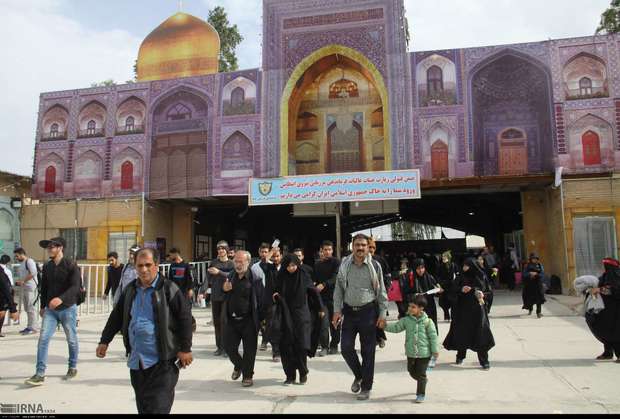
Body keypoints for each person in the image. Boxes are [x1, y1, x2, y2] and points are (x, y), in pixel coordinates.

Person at [97, 247, 193, 414]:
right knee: (143, 408)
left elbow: (186, 319)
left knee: (158, 408)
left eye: (148, 265)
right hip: (137, 361)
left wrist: (185, 349)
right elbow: (116, 317)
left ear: (157, 265)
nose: (143, 269)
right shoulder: (130, 290)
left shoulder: (169, 289)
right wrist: (104, 341)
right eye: (139, 265)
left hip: (163, 362)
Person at [332, 234, 388, 401]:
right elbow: (338, 289)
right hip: (349, 312)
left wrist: (382, 313)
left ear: (367, 246)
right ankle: (359, 375)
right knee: (346, 348)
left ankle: (366, 387)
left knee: (368, 351)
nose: (360, 248)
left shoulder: (375, 266)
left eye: (363, 245)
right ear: (352, 246)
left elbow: (382, 291)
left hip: (368, 313)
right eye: (357, 245)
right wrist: (337, 310)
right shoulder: (345, 265)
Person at [25, 237, 81, 386]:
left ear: (60, 248)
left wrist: (61, 299)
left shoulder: (71, 265)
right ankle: (40, 373)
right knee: (43, 339)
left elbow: (75, 287)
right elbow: (44, 288)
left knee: (71, 339)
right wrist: (43, 306)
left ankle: (72, 366)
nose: (49, 249)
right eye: (48, 247)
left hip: (68, 308)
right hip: (50, 310)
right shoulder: (48, 266)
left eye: (52, 247)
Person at [272, 254, 325, 385]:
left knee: (301, 345)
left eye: (294, 265)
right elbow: (273, 292)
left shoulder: (304, 276)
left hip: (301, 315)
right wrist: (275, 297)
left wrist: (320, 309)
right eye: (288, 266)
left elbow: (314, 292)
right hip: (285, 314)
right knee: (286, 346)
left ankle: (303, 372)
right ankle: (290, 375)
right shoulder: (281, 276)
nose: (291, 268)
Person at [385, 294, 438, 404]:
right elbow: (396, 327)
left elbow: (433, 337)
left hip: (424, 354)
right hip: (411, 352)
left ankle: (421, 393)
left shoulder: (428, 322)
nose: (410, 308)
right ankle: (422, 380)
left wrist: (435, 350)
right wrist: (384, 326)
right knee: (411, 371)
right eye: (409, 306)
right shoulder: (406, 320)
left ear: (421, 308)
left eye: (413, 307)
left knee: (421, 373)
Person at [443, 258, 495, 370]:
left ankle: (484, 361)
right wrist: (461, 289)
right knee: (462, 333)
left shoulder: (481, 277)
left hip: (478, 312)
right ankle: (460, 356)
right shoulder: (460, 277)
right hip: (463, 311)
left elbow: (489, 292)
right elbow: (452, 291)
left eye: (467, 266)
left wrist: (482, 294)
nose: (464, 268)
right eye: (464, 266)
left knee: (480, 334)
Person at [222, 250, 264, 387]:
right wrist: (225, 289)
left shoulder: (255, 278)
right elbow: (225, 294)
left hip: (249, 320)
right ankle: (239, 365)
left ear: (248, 262)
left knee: (249, 350)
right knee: (229, 347)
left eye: (241, 262)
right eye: (236, 261)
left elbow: (262, 300)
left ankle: (247, 375)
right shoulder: (231, 275)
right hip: (232, 320)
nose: (238, 264)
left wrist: (263, 320)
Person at [585, 258, 620, 361]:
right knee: (604, 329)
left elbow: (616, 290)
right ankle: (607, 352)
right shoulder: (604, 276)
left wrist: (599, 289)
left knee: (616, 332)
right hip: (604, 310)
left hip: (615, 311)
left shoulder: (616, 276)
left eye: (605, 265)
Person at [204, 240, 235, 356]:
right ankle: (219, 347)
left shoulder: (231, 264)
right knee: (217, 323)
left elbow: (233, 276)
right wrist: (202, 292)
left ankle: (227, 347)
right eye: (218, 248)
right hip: (215, 296)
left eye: (223, 248)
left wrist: (219, 272)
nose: (221, 250)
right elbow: (207, 278)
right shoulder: (213, 262)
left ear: (226, 250)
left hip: (227, 297)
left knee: (225, 322)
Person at [314, 240, 341, 356]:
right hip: (322, 299)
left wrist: (324, 284)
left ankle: (334, 345)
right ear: (322, 251)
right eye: (325, 250)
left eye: (329, 249)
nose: (327, 252)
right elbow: (314, 278)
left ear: (332, 250)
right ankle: (324, 346)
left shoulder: (336, 262)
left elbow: (335, 278)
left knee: (335, 323)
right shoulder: (317, 264)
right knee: (323, 323)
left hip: (335, 297)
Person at [368, 238, 390, 348]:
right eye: (370, 247)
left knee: (379, 317)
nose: (371, 249)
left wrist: (385, 289)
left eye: (373, 248)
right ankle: (374, 339)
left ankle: (380, 337)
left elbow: (387, 276)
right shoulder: (359, 261)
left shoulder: (380, 260)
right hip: (367, 296)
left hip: (379, 295)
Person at [168, 248, 196, 332]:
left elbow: (190, 278)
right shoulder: (172, 265)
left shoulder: (186, 265)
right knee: (176, 309)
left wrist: (190, 289)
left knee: (186, 309)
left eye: (171, 254)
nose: (170, 257)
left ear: (176, 254)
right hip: (175, 291)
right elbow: (170, 279)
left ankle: (191, 324)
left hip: (184, 291)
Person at [522, 253, 546, 318]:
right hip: (529, 286)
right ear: (530, 259)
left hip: (538, 285)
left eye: (535, 259)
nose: (534, 260)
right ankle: (530, 309)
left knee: (539, 299)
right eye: (533, 259)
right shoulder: (527, 266)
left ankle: (538, 312)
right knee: (530, 299)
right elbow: (524, 274)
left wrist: (536, 274)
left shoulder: (540, 265)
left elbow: (542, 274)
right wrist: (530, 274)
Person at [437, 251, 459, 321]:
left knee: (453, 302)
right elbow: (438, 276)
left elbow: (458, 274)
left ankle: (453, 316)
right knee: (443, 302)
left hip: (452, 286)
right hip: (444, 286)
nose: (443, 258)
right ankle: (446, 315)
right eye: (442, 256)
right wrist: (440, 285)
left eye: (445, 256)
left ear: (448, 257)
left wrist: (456, 282)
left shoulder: (453, 265)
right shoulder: (440, 266)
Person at [0, 261, 19, 337]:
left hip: (2, 299)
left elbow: (6, 289)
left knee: (2, 312)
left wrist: (13, 309)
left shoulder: (1, 272)